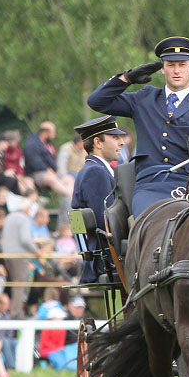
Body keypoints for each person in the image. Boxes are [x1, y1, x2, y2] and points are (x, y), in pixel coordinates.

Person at [87, 36, 189, 216]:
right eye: (171, 65)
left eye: (182, 65)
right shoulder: (145, 98)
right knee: (147, 224)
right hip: (149, 186)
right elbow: (97, 102)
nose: (176, 71)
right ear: (163, 69)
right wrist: (127, 78)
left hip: (187, 185)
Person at [70, 115, 126, 283]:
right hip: (107, 260)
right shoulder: (96, 172)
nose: (121, 142)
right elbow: (106, 222)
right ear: (98, 143)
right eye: (115, 138)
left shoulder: (96, 169)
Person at [23, 122, 73, 197]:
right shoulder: (32, 144)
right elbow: (34, 162)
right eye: (53, 132)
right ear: (45, 132)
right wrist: (47, 169)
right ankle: (70, 197)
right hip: (35, 173)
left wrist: (55, 170)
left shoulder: (47, 144)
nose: (54, 134)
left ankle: (71, 198)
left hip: (51, 172)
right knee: (51, 179)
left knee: (69, 178)